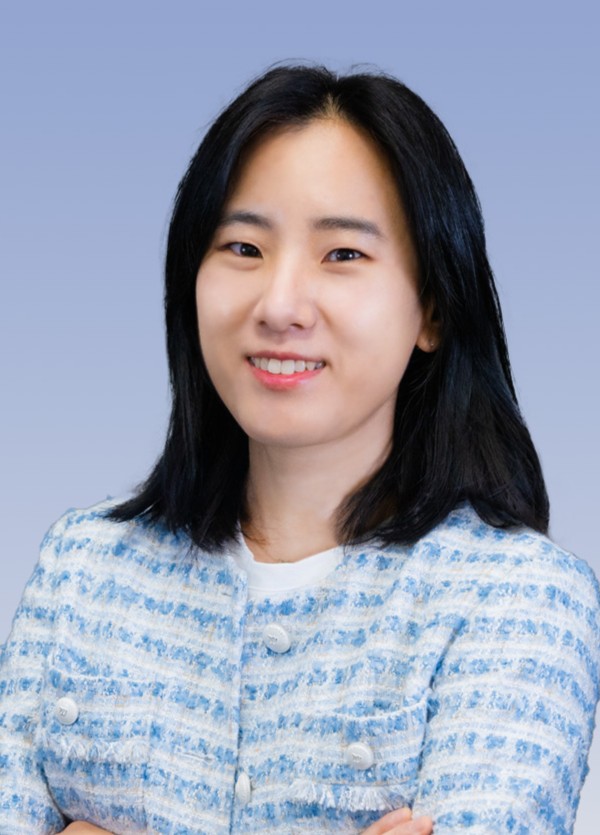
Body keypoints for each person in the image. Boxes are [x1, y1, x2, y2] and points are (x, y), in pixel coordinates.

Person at [1, 64, 598, 835]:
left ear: (433, 307)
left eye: (342, 254)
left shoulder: (519, 601)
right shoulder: (81, 570)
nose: (279, 305)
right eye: (243, 246)